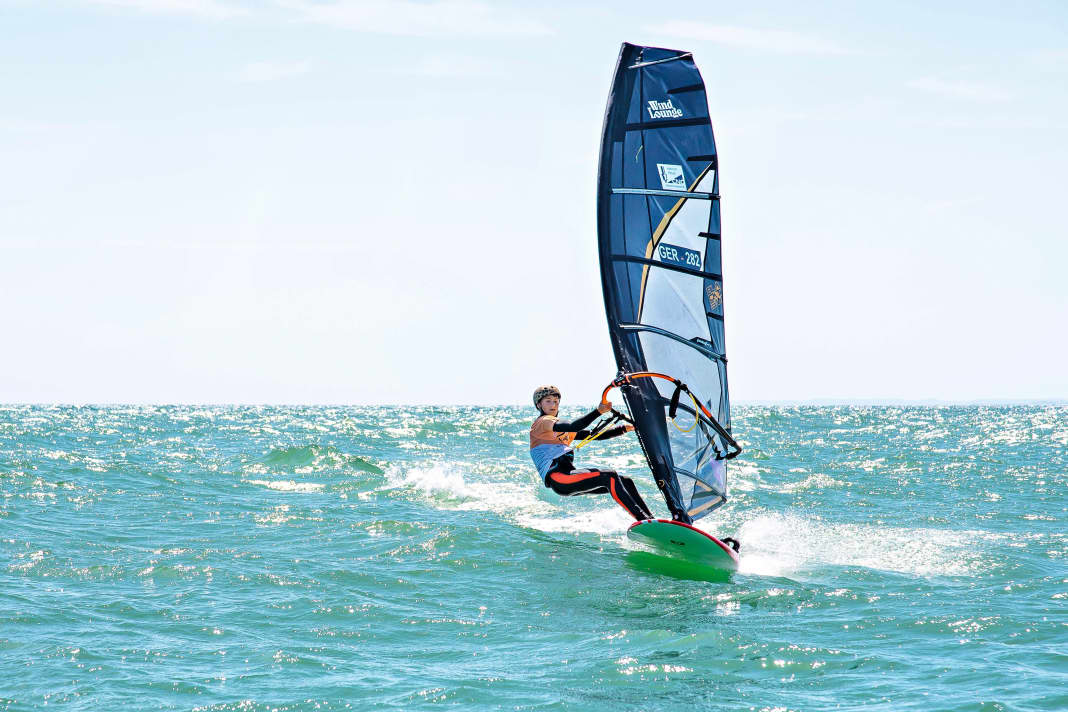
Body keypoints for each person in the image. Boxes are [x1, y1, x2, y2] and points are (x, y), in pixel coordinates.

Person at [529, 385, 653, 521]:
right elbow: (573, 426)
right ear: (539, 404)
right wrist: (598, 411)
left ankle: (651, 520)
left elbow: (593, 435)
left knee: (626, 482)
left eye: (556, 401)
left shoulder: (559, 431)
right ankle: (642, 519)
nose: (553, 405)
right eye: (548, 401)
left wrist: (625, 428)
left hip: (569, 477)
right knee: (609, 476)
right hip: (559, 478)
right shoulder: (543, 422)